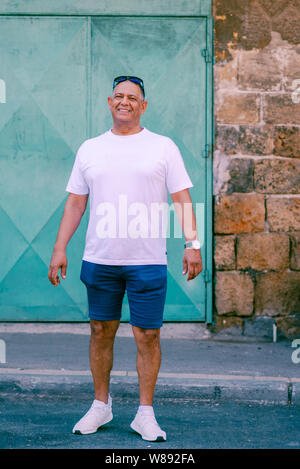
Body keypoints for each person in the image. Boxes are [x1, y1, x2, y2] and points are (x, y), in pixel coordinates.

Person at [48, 75, 203, 442]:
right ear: (109, 102)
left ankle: (145, 414)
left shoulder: (162, 147)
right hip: (100, 258)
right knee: (101, 331)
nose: (125, 102)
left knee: (147, 335)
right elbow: (75, 202)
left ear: (143, 105)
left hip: (146, 259)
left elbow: (182, 197)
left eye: (133, 98)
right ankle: (101, 405)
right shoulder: (90, 148)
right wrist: (59, 248)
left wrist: (192, 243)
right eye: (119, 96)